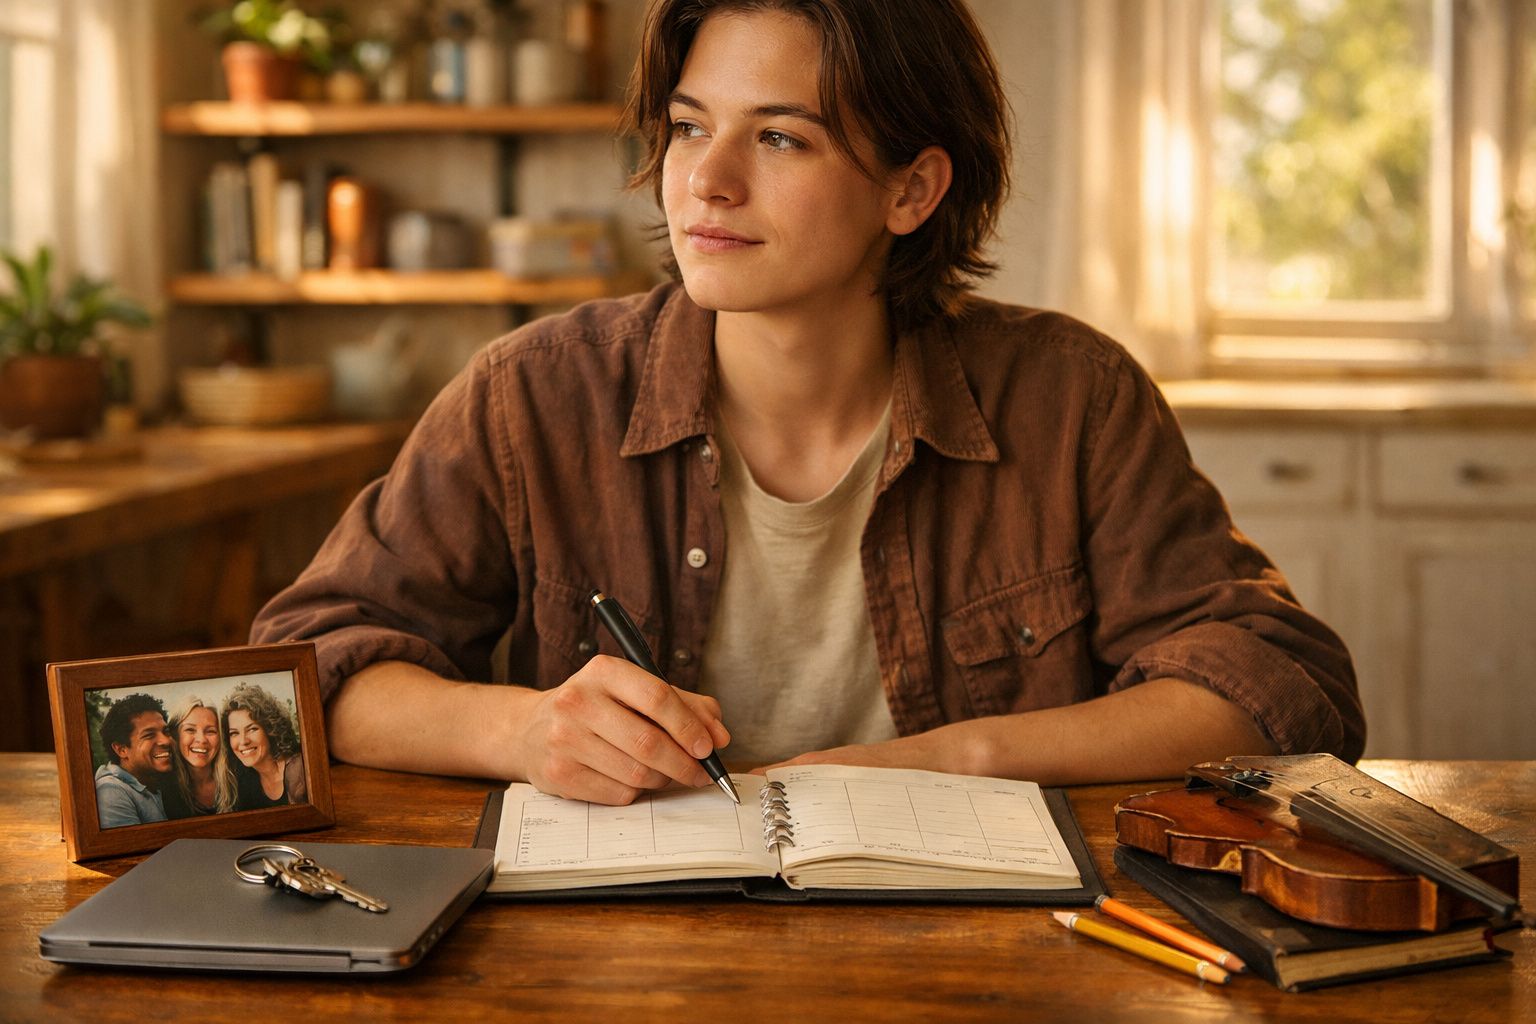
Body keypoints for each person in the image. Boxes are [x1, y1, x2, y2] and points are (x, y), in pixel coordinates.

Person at [251, 0, 1363, 806]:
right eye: (690, 126)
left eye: (778, 136)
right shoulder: (533, 394)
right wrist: (524, 727)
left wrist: (959, 755)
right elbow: (312, 671)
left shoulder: (1071, 397)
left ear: (912, 189)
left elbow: (1276, 685)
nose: (706, 181)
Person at [222, 682, 308, 809]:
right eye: (234, 733)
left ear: (270, 729)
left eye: (252, 729)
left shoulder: (299, 769)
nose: (243, 741)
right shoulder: (242, 778)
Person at [94, 692, 173, 827]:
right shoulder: (112, 792)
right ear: (121, 749)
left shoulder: (153, 780)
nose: (166, 741)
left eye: (166, 732)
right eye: (149, 735)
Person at [162, 695, 238, 818]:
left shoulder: (237, 778)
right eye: (190, 730)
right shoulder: (165, 788)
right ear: (176, 735)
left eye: (210, 731)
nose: (202, 740)